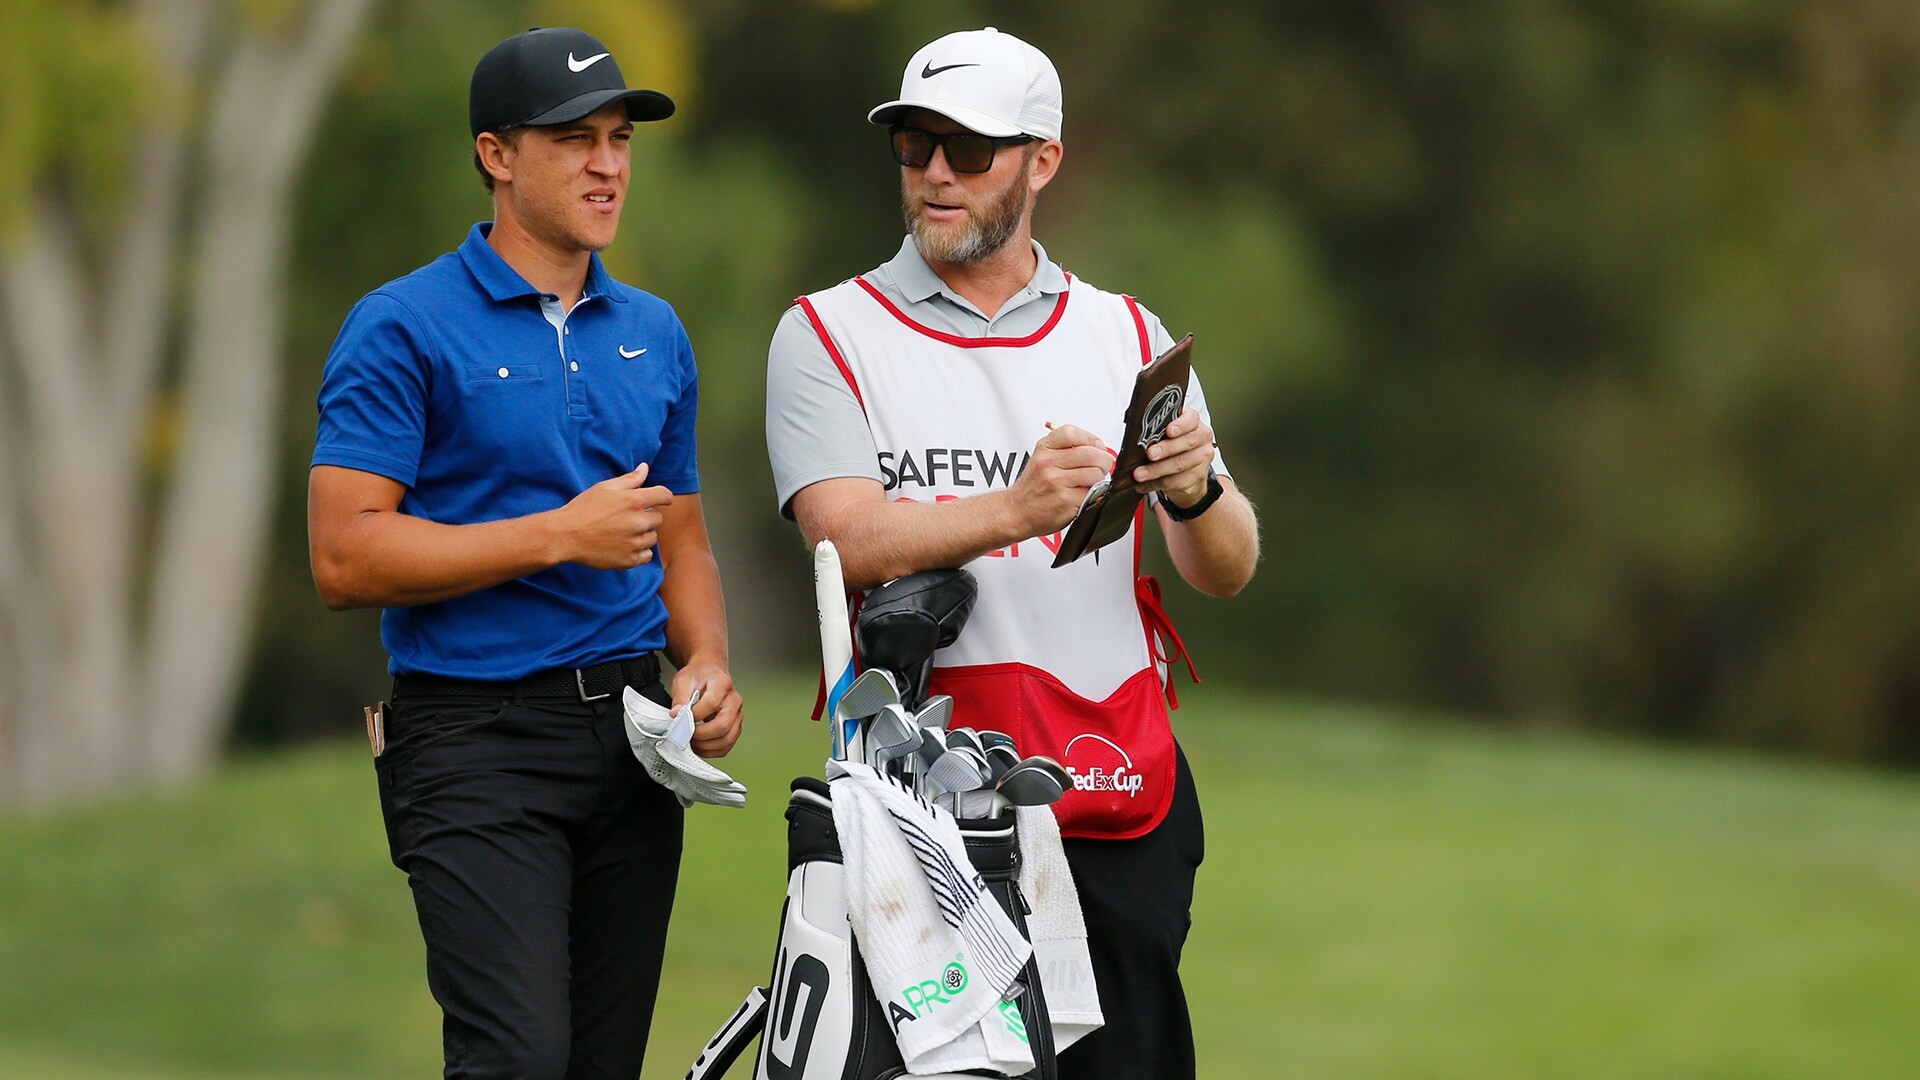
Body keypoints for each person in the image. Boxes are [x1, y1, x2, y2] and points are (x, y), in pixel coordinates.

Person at [765, 26, 1259, 1080]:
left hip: (1116, 786)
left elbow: (1225, 566)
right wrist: (1016, 507)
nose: (935, 172)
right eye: (914, 144)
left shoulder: (1127, 335)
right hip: (923, 812)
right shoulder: (826, 332)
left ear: (1043, 161)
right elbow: (840, 536)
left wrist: (1197, 487)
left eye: (970, 148)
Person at [307, 27, 742, 1079]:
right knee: (518, 1059)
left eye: (618, 139)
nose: (607, 165)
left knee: (601, 1064)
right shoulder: (402, 325)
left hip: (633, 740)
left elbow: (681, 536)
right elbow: (344, 557)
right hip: (472, 740)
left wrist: (707, 661)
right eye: (573, 140)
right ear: (496, 155)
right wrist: (558, 536)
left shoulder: (654, 332)